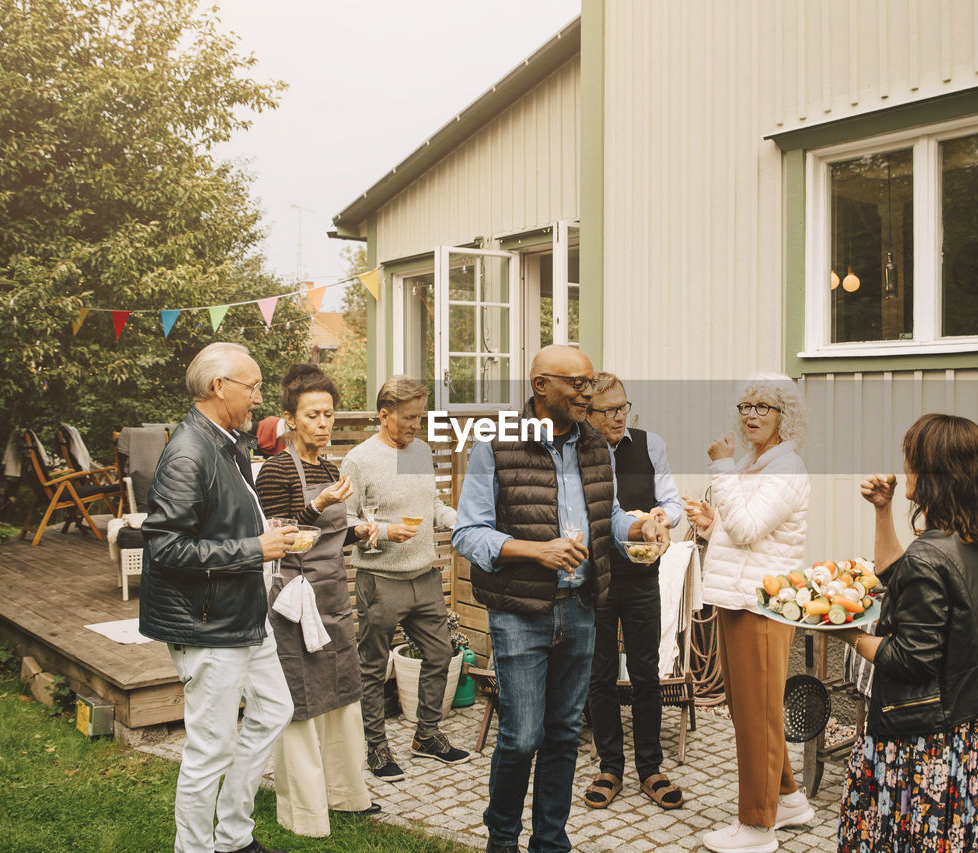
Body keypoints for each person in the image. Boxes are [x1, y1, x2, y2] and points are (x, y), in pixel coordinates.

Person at [453, 345, 669, 853]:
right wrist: (535, 551)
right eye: (577, 384)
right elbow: (469, 533)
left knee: (564, 734)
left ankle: (550, 841)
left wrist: (637, 523)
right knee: (522, 736)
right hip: (520, 612)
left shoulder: (595, 444)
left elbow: (608, 514)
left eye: (590, 383)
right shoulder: (495, 444)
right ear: (541, 386)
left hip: (581, 609)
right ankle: (502, 839)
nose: (587, 393)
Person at [138, 342, 297, 853]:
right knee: (211, 749)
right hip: (207, 625)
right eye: (252, 387)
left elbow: (220, 520)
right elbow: (165, 547)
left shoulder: (227, 442)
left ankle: (232, 836)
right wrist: (255, 547)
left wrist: (263, 531)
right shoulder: (189, 451)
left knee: (273, 712)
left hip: (245, 616)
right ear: (217, 388)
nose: (258, 398)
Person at [834, 413, 978, 853]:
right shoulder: (977, 543)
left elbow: (911, 660)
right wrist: (882, 510)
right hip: (974, 731)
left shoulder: (930, 556)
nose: (905, 467)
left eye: (912, 458)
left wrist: (846, 632)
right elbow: (898, 576)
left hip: (927, 744)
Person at [685, 373, 814, 853]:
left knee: (757, 713)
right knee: (750, 710)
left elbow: (747, 528)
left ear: (785, 415)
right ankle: (789, 799)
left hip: (761, 606)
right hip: (738, 599)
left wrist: (720, 471)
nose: (751, 415)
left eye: (764, 406)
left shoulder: (787, 467)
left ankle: (758, 828)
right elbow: (744, 533)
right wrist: (710, 523)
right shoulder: (755, 463)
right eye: (745, 406)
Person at [253, 364, 379, 836]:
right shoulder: (277, 470)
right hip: (293, 600)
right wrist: (319, 506)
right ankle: (304, 811)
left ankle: (346, 795)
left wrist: (357, 530)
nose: (323, 423)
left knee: (343, 697)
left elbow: (330, 537)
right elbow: (277, 537)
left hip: (334, 597)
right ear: (290, 419)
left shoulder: (330, 467)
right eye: (312, 415)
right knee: (302, 704)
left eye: (328, 413)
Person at [340, 375, 469, 781]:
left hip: (425, 576)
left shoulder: (420, 452)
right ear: (384, 415)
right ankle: (376, 747)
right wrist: (383, 530)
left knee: (441, 654)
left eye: (421, 417)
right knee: (373, 667)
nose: (417, 426)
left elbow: (431, 505)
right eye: (410, 418)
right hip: (380, 580)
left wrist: (464, 522)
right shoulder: (358, 460)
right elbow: (345, 521)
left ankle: (427, 736)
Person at [583, 372, 685, 811]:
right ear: (588, 413)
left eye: (623, 407)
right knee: (599, 675)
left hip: (643, 576)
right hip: (596, 578)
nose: (619, 416)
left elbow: (674, 502)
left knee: (646, 674)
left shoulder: (651, 444)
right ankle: (610, 767)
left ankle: (650, 768)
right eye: (608, 410)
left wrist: (663, 516)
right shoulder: (579, 451)